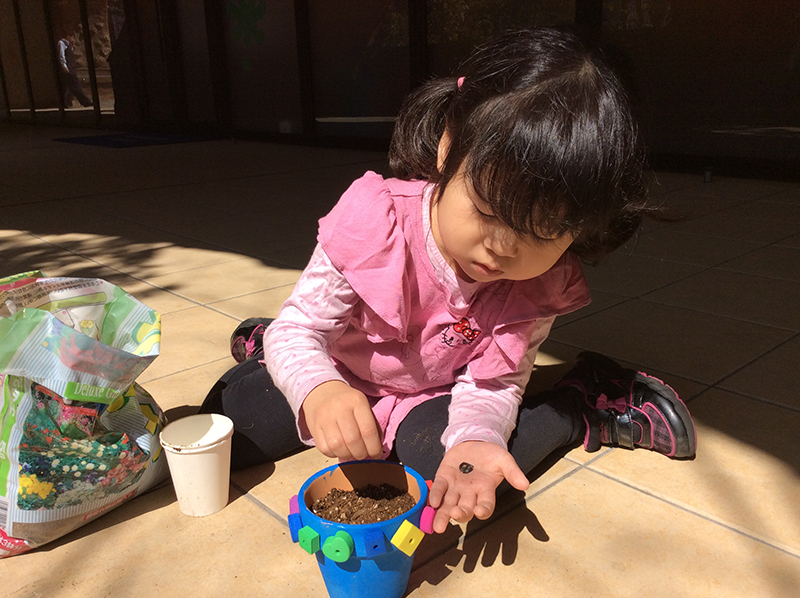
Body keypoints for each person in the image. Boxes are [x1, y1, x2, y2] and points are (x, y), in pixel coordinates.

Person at [200, 27, 696, 534]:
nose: (502, 248)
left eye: (540, 233)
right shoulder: (376, 223)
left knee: (457, 480)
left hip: (433, 391)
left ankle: (579, 403)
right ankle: (267, 342)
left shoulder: (537, 282)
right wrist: (320, 389)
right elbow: (301, 329)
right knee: (226, 426)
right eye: (487, 210)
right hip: (344, 365)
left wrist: (477, 440)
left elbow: (493, 381)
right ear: (448, 144)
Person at [57, 36, 93, 108]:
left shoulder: (68, 45)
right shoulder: (61, 43)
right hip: (68, 68)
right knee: (75, 85)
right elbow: (61, 55)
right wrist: (64, 66)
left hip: (71, 67)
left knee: (66, 86)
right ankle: (86, 102)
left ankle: (64, 103)